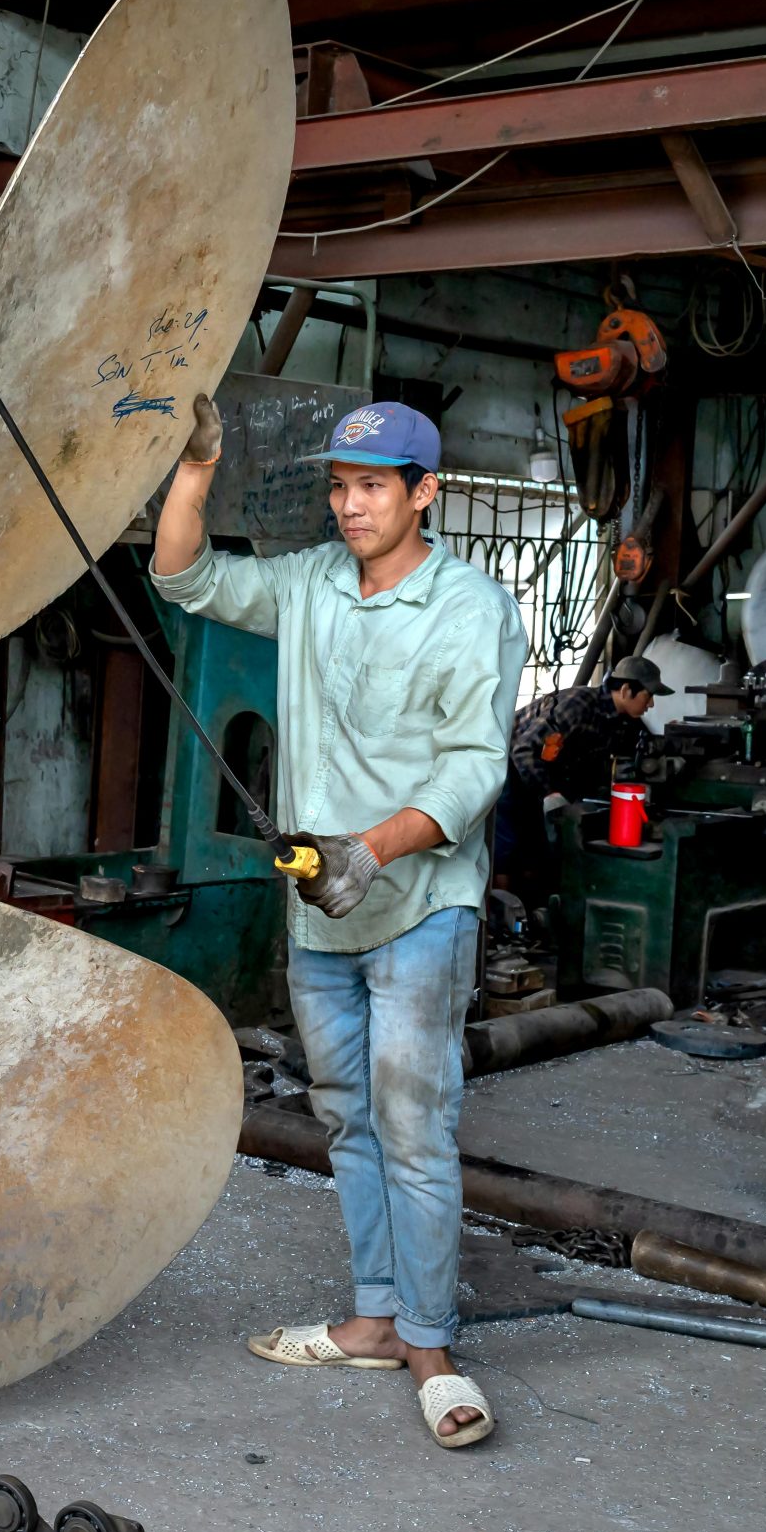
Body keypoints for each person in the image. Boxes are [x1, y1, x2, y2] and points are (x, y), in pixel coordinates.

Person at [151, 400, 524, 1450]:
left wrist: (375, 849)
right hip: (320, 914)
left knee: (414, 1129)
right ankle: (371, 1317)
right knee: (347, 1121)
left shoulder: (469, 609)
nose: (351, 505)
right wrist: (196, 470)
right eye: (339, 486)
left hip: (415, 909)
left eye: (372, 485)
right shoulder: (312, 581)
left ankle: (431, 1345)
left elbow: (473, 770)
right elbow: (183, 578)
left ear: (423, 493)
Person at [495, 656, 669, 898]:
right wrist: (550, 793)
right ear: (627, 690)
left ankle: (533, 917)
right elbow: (523, 751)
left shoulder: (621, 722)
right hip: (507, 763)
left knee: (536, 852)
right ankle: (502, 923)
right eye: (648, 696)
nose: (650, 704)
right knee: (509, 847)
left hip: (542, 771)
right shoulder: (578, 705)